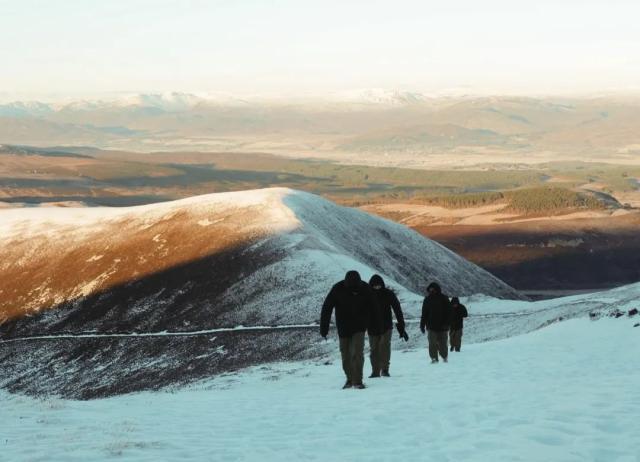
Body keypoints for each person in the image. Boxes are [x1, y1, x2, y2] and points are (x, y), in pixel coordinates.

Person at [320, 270, 374, 389]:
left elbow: (374, 307)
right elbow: (327, 308)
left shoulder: (365, 288)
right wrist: (324, 328)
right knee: (345, 355)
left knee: (357, 353)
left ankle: (358, 381)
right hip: (343, 327)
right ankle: (350, 379)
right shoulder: (338, 289)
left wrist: (371, 324)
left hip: (360, 327)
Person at [367, 274, 408, 378]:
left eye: (379, 286)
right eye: (374, 286)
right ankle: (375, 371)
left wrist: (401, 325)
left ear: (382, 285)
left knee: (384, 347)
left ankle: (385, 369)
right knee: (374, 349)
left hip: (386, 326)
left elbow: (397, 309)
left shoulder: (388, 294)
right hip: (372, 327)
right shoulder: (367, 295)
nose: (377, 288)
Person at [420, 282, 452, 363]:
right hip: (431, 326)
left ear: (437, 289)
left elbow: (449, 311)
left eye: (433, 289)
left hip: (443, 326)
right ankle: (434, 358)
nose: (431, 291)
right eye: (430, 289)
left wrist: (447, 323)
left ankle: (444, 357)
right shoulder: (427, 300)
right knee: (432, 343)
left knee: (443, 343)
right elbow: (424, 313)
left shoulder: (444, 298)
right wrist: (422, 325)